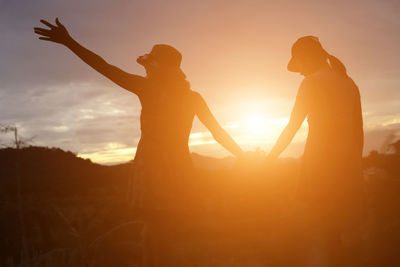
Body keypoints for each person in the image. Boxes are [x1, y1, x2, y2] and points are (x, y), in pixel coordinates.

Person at [34, 18, 244, 266]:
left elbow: (105, 67)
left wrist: (70, 42)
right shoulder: (191, 97)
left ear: (158, 68)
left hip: (153, 171)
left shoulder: (148, 89)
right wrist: (243, 155)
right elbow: (218, 133)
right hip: (180, 171)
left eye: (150, 65)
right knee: (170, 233)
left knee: (155, 235)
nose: (146, 69)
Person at [267, 36, 365, 266]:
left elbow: (293, 126)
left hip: (320, 165)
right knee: (345, 230)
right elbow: (358, 130)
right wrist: (355, 163)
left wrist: (270, 158)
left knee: (324, 231)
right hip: (349, 165)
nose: (299, 72)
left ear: (306, 59)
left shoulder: (311, 83)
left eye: (298, 64)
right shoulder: (349, 82)